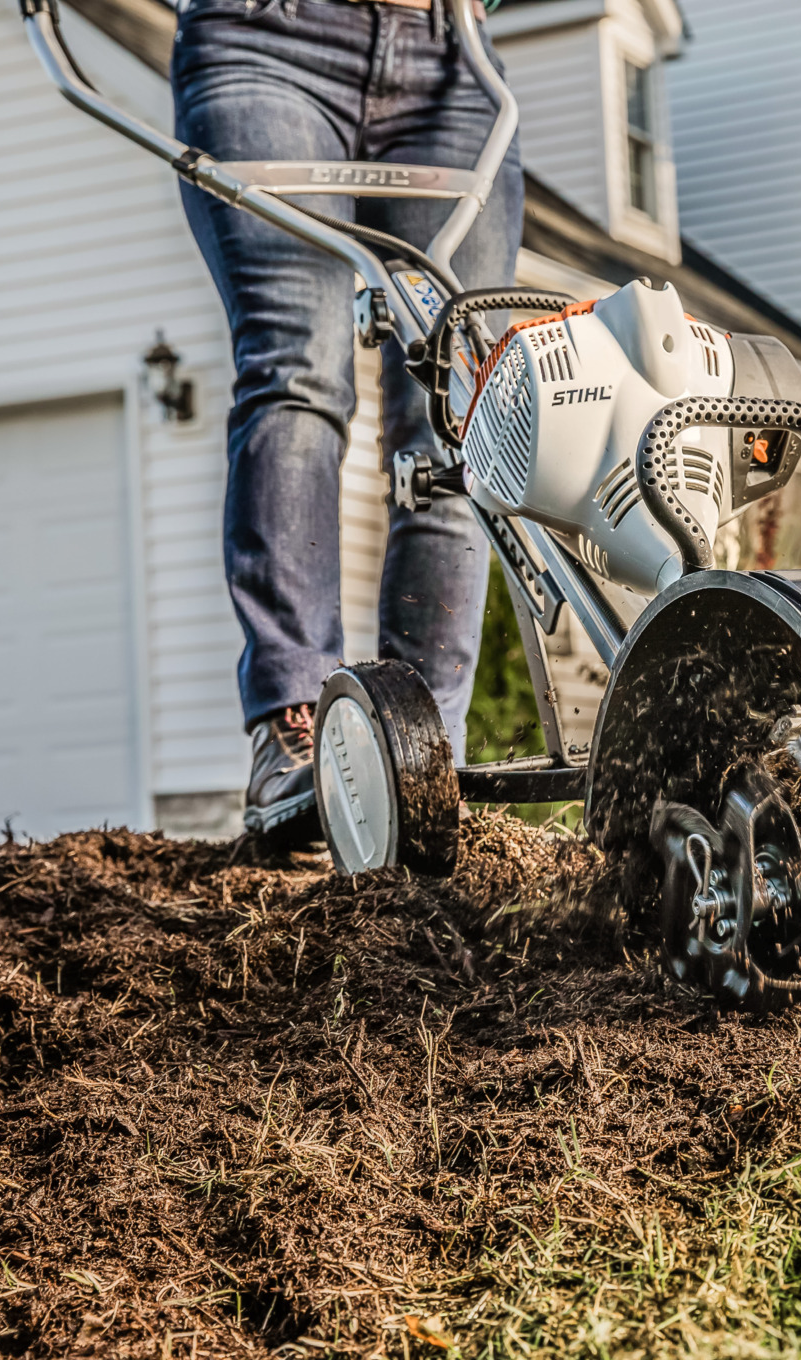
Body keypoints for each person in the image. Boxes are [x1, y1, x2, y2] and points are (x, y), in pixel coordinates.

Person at [171, 0, 522, 835]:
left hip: (450, 55)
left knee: (458, 414)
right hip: (267, 40)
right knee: (299, 368)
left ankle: (422, 746)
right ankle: (297, 728)